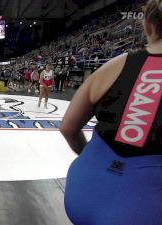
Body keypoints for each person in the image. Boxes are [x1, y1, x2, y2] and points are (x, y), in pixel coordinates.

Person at [61, 1, 162, 224]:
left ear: (146, 26)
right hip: (143, 205)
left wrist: (91, 157)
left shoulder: (118, 63)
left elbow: (68, 127)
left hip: (84, 187)